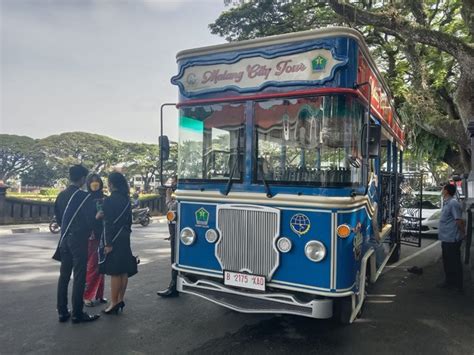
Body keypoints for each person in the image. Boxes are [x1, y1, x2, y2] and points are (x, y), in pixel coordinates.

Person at [53, 165, 100, 323]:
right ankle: (77, 313)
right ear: (82, 179)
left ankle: (62, 311)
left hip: (64, 239)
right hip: (79, 240)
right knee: (79, 276)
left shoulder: (61, 195)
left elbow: (59, 219)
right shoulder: (83, 197)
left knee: (64, 276)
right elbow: (90, 220)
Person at [99, 172, 137, 314]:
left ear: (112, 184)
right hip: (124, 236)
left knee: (115, 272)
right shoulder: (127, 200)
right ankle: (120, 299)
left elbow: (107, 224)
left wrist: (108, 243)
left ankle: (114, 302)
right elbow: (129, 221)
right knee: (123, 270)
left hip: (113, 238)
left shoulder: (108, 201)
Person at [83, 174, 107, 307]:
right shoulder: (86, 199)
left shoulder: (104, 197)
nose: (95, 184)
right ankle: (86, 295)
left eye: (97, 181)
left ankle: (99, 294)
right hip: (92, 236)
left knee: (102, 265)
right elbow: (85, 219)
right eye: (92, 182)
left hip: (104, 235)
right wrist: (96, 217)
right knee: (92, 266)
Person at [437, 183, 465, 292]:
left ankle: (458, 286)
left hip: (452, 238)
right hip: (446, 238)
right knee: (447, 261)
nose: (441, 190)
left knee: (455, 262)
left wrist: (463, 233)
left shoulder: (453, 203)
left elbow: (458, 220)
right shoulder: (446, 203)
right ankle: (449, 282)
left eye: (443, 189)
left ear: (447, 191)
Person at [157, 175, 179, 298]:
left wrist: (168, 195)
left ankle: (174, 286)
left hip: (177, 233)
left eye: (175, 182)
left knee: (175, 259)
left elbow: (172, 207)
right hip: (177, 232)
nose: (173, 185)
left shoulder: (179, 198)